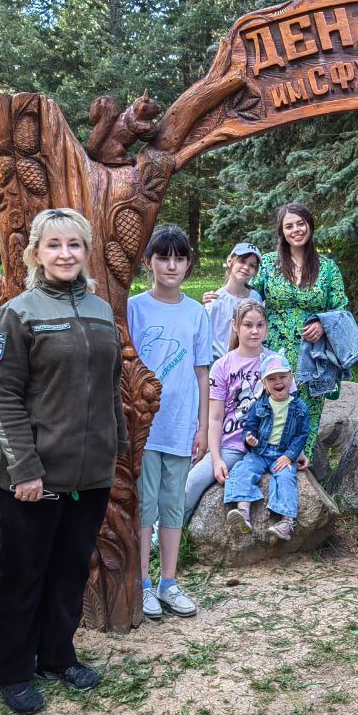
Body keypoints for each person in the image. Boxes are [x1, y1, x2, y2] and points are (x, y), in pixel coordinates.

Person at [0, 208, 128, 715]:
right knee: (24, 573)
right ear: (35, 254)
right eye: (54, 245)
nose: (65, 254)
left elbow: (112, 387)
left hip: (89, 473)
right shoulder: (17, 313)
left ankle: (56, 654)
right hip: (34, 477)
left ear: (86, 253)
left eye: (74, 245)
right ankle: (13, 669)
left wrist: (118, 447)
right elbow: (2, 395)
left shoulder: (100, 310)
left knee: (69, 569)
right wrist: (24, 469)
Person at [127, 223, 211, 622]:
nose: (171, 265)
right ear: (149, 262)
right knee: (144, 505)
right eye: (163, 257)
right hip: (144, 427)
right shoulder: (134, 307)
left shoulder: (197, 313)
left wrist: (202, 427)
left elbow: (201, 373)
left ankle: (169, 581)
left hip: (180, 425)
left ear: (189, 264)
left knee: (172, 505)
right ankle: (141, 582)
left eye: (179, 257)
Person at [249, 202, 348, 463]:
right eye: (289, 226)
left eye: (300, 224)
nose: (296, 230)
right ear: (282, 232)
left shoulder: (327, 268)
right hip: (273, 353)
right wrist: (220, 295)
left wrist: (323, 324)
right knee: (271, 406)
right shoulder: (269, 264)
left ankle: (298, 462)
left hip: (314, 356)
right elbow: (247, 297)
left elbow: (342, 309)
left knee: (306, 411)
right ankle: (265, 461)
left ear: (310, 226)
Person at [183, 299, 284, 523]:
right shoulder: (222, 365)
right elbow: (215, 416)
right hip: (232, 445)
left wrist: (297, 450)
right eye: (248, 325)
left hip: (265, 445)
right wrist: (216, 458)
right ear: (235, 326)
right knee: (191, 481)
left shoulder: (275, 361)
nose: (255, 331)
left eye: (260, 325)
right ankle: (165, 534)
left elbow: (289, 408)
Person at [223, 354, 310, 540]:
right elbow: (250, 428)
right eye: (271, 378)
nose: (278, 382)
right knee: (242, 469)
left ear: (291, 377)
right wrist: (250, 439)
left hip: (282, 453)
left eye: (282, 377)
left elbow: (301, 435)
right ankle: (243, 513)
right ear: (264, 383)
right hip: (260, 452)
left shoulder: (300, 408)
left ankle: (287, 521)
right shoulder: (260, 405)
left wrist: (290, 456)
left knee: (285, 477)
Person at [203, 242, 262, 361]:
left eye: (252, 265)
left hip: (248, 362)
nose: (246, 267)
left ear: (255, 271)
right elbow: (205, 337)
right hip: (219, 362)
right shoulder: (215, 299)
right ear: (230, 261)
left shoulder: (255, 298)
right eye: (242, 261)